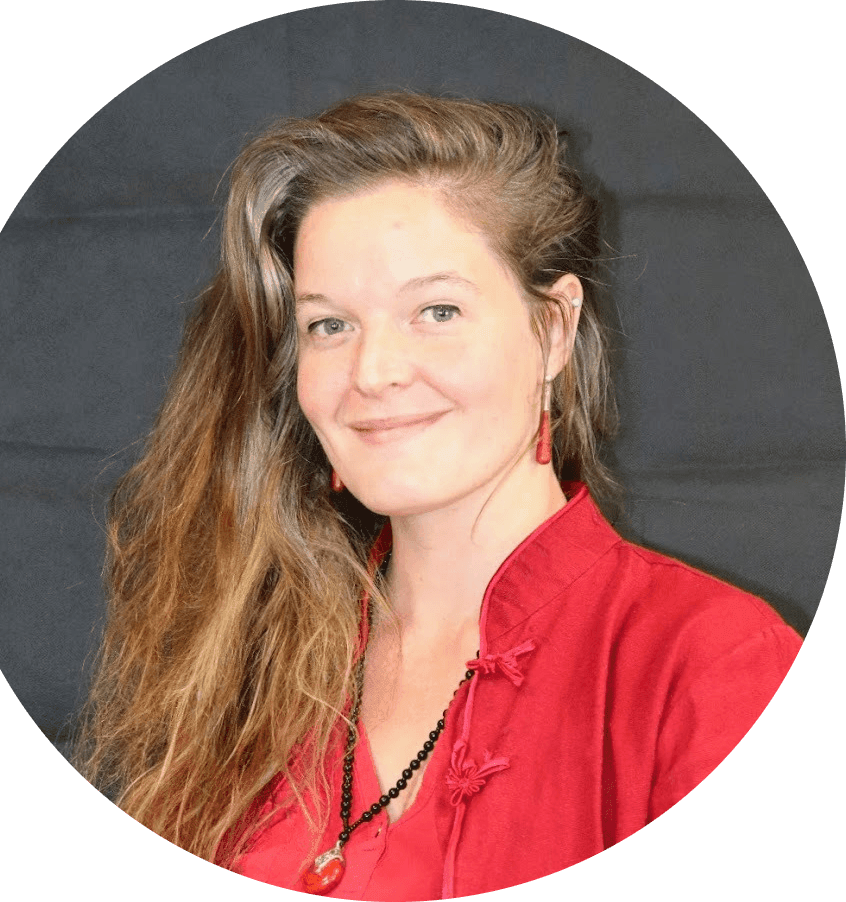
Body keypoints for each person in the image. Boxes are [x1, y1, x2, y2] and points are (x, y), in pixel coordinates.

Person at [74, 92, 802, 900]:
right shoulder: (239, 670)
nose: (374, 371)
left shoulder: (716, 666)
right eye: (329, 325)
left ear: (554, 331)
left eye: (437, 310)